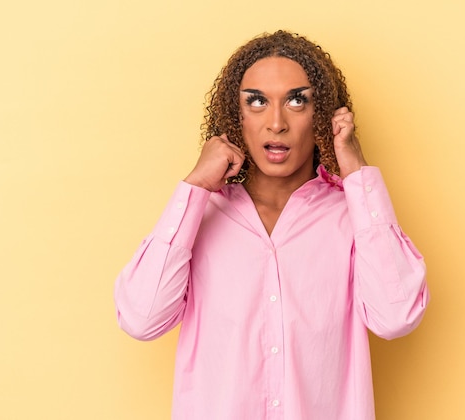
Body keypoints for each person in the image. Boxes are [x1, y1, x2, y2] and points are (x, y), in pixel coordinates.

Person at [114, 30, 429, 420]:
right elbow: (141, 319)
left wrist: (358, 175)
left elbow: (396, 317)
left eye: (297, 101)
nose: (276, 123)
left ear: (323, 115)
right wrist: (194, 187)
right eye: (257, 102)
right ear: (236, 114)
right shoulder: (201, 216)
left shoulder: (352, 215)